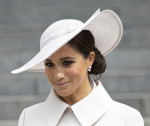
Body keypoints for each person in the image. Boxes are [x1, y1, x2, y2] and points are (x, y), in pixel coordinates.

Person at [11, 8, 144, 126]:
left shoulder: (126, 119)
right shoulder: (29, 117)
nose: (58, 75)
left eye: (67, 62)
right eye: (49, 64)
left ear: (90, 59)